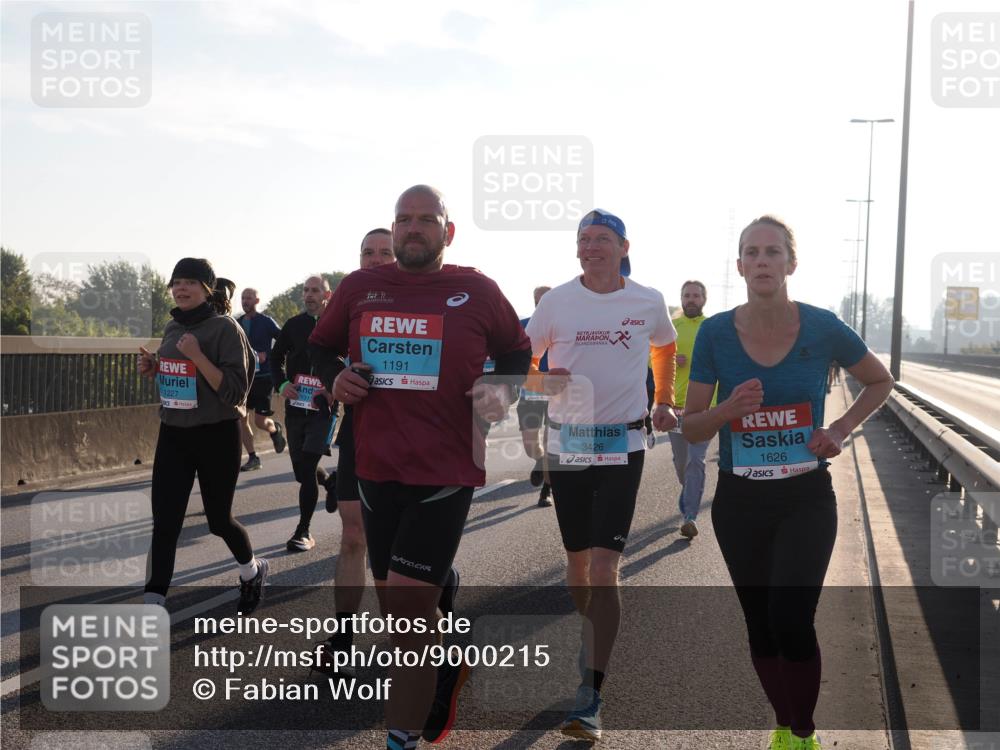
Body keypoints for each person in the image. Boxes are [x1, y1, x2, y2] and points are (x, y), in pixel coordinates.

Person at [309, 186, 531, 749]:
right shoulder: (360, 288)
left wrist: (500, 392)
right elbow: (319, 347)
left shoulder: (475, 289)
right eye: (403, 219)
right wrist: (335, 376)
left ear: (447, 232)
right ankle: (448, 660)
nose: (413, 228)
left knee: (406, 619)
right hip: (376, 470)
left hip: (446, 471)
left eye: (426, 220)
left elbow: (515, 352)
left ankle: (399, 738)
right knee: (400, 618)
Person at [681, 216, 894, 750]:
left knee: (791, 616)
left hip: (805, 497)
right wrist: (729, 409)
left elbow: (879, 379)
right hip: (741, 500)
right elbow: (691, 425)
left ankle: (803, 733)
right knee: (760, 622)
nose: (761, 261)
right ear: (739, 267)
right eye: (751, 253)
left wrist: (841, 428)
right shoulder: (714, 332)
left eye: (772, 252)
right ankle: (783, 724)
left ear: (790, 264)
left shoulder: (822, 326)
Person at [525, 209, 678, 742]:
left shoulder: (648, 300)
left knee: (605, 566)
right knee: (577, 564)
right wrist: (545, 383)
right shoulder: (556, 302)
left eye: (601, 240)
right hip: (568, 446)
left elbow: (664, 346)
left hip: (625, 443)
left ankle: (591, 691)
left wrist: (665, 400)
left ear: (623, 246)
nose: (590, 247)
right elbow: (519, 362)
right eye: (583, 240)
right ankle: (592, 641)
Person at [138, 258, 269, 615]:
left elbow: (232, 392)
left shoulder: (225, 329)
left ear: (207, 289)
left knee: (218, 521)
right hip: (174, 434)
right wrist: (157, 368)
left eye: (189, 283)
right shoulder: (171, 327)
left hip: (217, 434)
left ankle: (252, 570)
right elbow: (179, 379)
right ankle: (154, 604)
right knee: (165, 523)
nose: (180, 288)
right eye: (176, 282)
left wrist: (195, 355)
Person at [317, 228, 397, 675]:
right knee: (353, 537)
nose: (375, 260)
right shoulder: (351, 294)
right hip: (361, 429)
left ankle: (438, 585)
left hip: (415, 436)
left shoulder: (429, 295)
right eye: (368, 252)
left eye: (384, 252)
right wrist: (335, 377)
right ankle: (343, 635)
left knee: (398, 544)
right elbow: (320, 348)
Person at [270, 274, 336, 552]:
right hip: (295, 407)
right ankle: (331, 482)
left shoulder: (338, 326)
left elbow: (353, 358)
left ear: (327, 295)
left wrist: (335, 387)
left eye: (315, 290)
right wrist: (283, 384)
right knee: (301, 471)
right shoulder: (295, 325)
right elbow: (275, 358)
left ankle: (303, 531)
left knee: (307, 467)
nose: (309, 295)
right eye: (306, 290)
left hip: (323, 408)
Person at [668, 280, 715, 540]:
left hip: (706, 408)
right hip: (676, 408)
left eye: (696, 295)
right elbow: (652, 362)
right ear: (681, 299)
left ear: (704, 299)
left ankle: (690, 517)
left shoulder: (712, 328)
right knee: (681, 463)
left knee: (696, 460)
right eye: (687, 295)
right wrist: (672, 360)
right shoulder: (673, 329)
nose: (691, 300)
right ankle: (689, 495)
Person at [236, 287, 286, 471]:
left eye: (249, 298)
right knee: (241, 418)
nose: (245, 301)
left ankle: (274, 430)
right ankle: (253, 457)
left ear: (257, 301)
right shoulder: (238, 322)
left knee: (260, 421)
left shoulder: (266, 322)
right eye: (243, 298)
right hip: (244, 379)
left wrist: (268, 354)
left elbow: (283, 341)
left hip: (264, 378)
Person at [517, 285, 553, 507]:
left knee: (552, 444)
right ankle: (539, 461)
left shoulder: (565, 325)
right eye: (537, 301)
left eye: (545, 300)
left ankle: (546, 491)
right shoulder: (523, 326)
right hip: (530, 393)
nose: (541, 305)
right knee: (531, 445)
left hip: (558, 395)